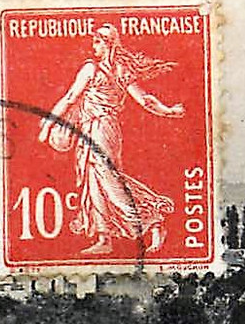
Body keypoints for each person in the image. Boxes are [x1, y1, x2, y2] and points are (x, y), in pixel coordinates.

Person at [38, 23, 184, 255]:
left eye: (97, 42)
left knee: (109, 180)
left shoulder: (92, 69)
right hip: (94, 129)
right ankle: (104, 238)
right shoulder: (120, 70)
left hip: (101, 128)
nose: (93, 46)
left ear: (107, 44)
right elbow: (145, 99)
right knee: (92, 180)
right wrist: (168, 110)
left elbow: (69, 97)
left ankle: (152, 220)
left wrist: (48, 122)